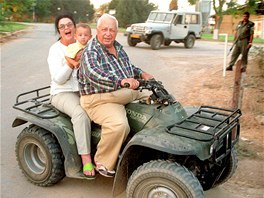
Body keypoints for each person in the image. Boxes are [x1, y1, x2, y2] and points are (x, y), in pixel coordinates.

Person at [78, 14, 153, 177]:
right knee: (119, 125)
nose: (108, 33)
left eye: (111, 30)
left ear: (116, 32)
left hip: (119, 94)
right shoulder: (91, 51)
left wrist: (142, 73)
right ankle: (102, 162)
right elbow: (94, 75)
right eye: (104, 29)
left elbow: (128, 67)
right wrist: (122, 82)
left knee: (154, 98)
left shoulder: (117, 47)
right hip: (97, 99)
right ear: (97, 31)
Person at [47, 13, 95, 178]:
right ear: (59, 31)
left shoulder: (84, 45)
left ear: (75, 28)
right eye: (62, 26)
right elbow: (58, 79)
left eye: (69, 25)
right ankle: (86, 158)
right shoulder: (55, 50)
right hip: (62, 93)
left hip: (83, 90)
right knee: (80, 114)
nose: (66, 28)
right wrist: (70, 63)